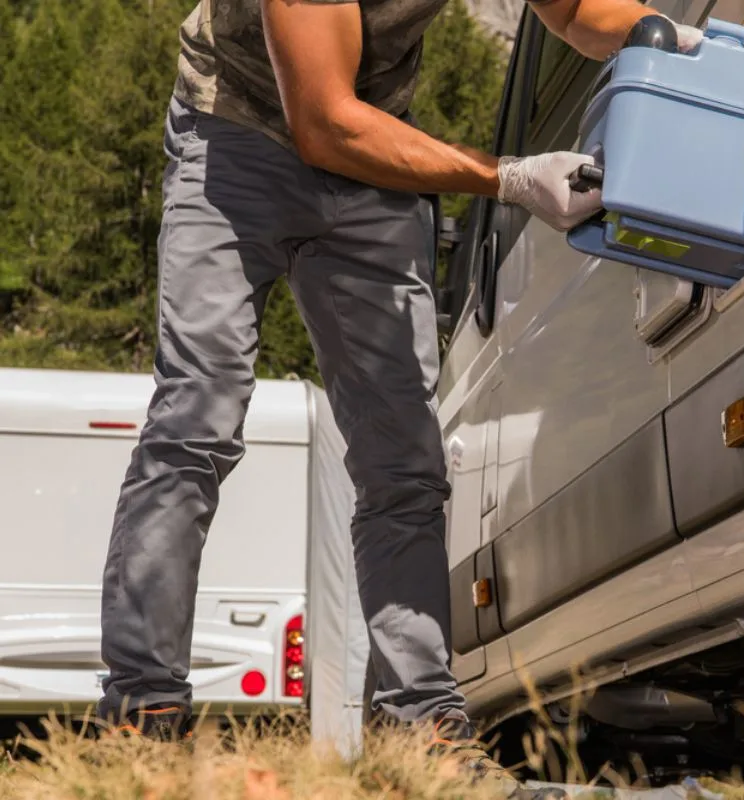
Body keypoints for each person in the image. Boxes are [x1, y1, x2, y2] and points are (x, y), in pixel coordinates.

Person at [94, 0, 701, 794]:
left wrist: (682, 37)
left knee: (405, 465)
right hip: (235, 137)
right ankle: (144, 720)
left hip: (370, 153)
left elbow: (578, 10)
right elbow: (324, 123)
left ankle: (422, 736)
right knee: (194, 424)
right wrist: (510, 179)